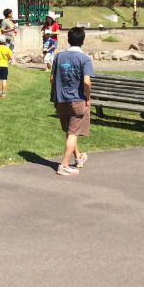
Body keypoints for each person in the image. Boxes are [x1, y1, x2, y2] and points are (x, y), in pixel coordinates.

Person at [50, 26, 94, 177]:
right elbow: (87, 82)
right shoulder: (84, 59)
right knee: (73, 132)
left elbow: (52, 78)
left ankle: (78, 157)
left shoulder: (59, 56)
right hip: (77, 100)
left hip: (61, 99)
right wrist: (87, 98)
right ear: (83, 41)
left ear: (68, 40)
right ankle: (63, 165)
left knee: (70, 131)